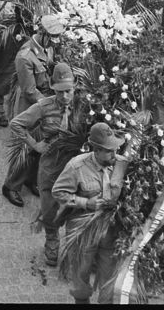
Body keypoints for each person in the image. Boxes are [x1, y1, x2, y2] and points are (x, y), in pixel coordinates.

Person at [4, 62, 85, 267]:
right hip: (51, 163)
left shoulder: (85, 106)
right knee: (49, 206)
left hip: (75, 163)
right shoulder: (44, 106)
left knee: (77, 203)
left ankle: (77, 243)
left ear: (75, 88)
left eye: (68, 91)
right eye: (60, 92)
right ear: (52, 89)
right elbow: (17, 123)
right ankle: (51, 239)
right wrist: (35, 145)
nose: (65, 97)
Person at [51, 121, 128, 304]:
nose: (114, 154)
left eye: (115, 149)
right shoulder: (76, 166)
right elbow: (58, 191)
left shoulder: (120, 164)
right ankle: (82, 299)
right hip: (83, 229)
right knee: (80, 271)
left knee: (110, 273)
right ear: (96, 149)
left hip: (109, 230)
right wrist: (86, 202)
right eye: (109, 150)